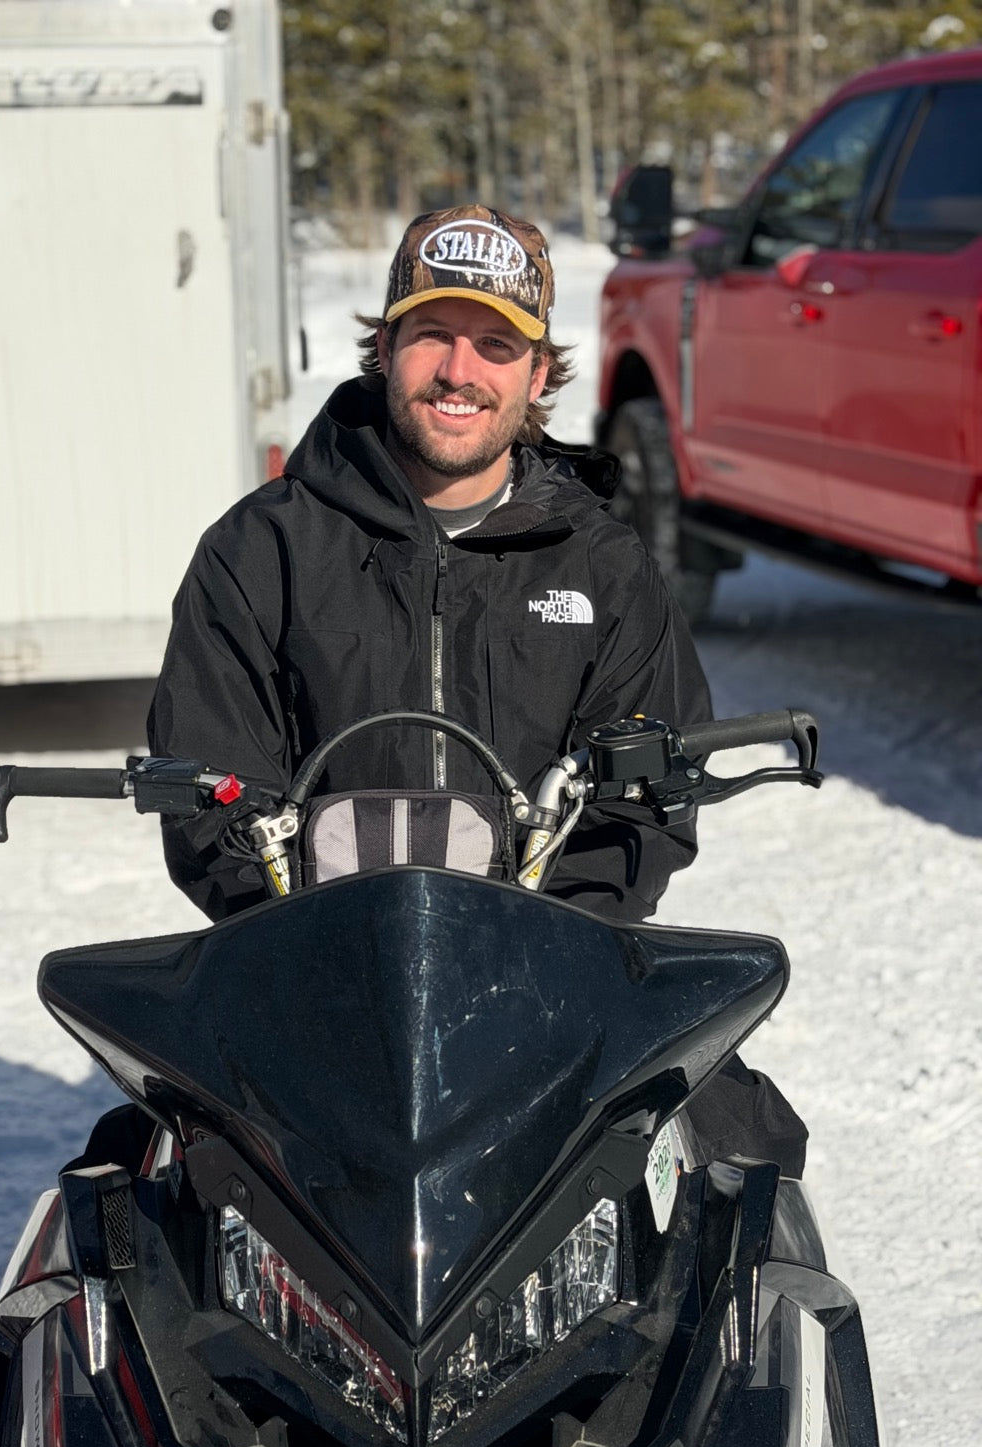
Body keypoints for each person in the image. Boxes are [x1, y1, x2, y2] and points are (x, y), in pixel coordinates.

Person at [147, 203, 806, 1174]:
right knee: (142, 1195)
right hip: (315, 991)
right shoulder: (262, 550)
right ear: (386, 348)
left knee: (745, 1163)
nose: (460, 371)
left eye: (497, 345)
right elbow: (209, 791)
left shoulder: (603, 565)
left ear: (538, 374)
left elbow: (645, 806)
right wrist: (303, 953)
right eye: (433, 335)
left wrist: (542, 963)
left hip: (543, 988)